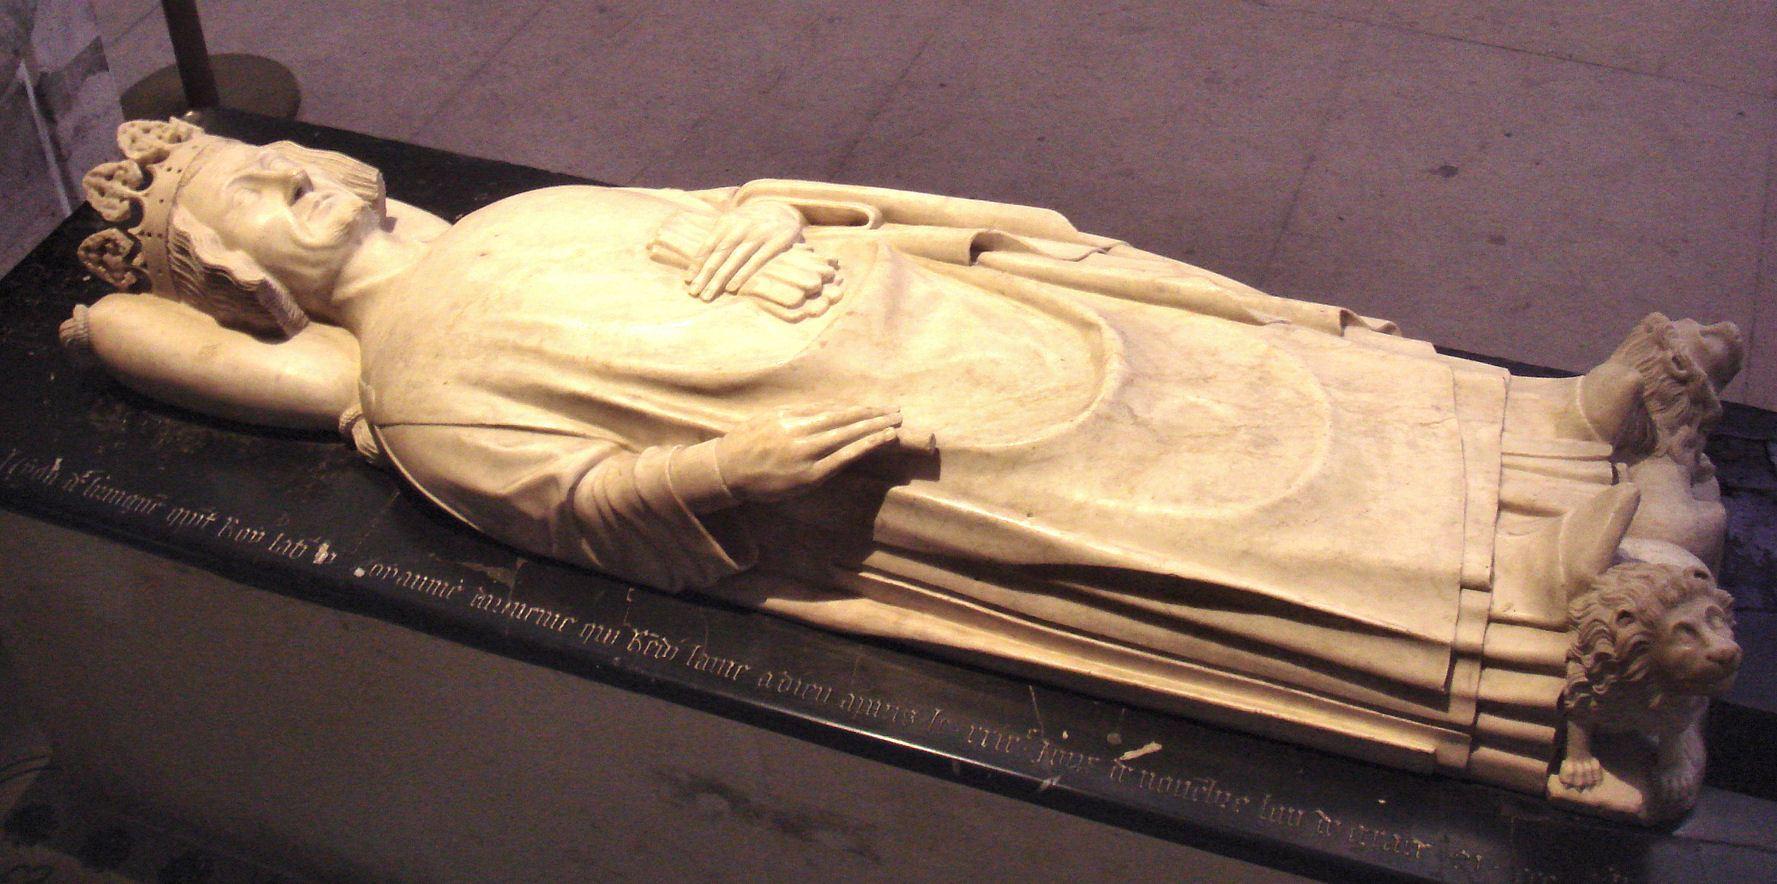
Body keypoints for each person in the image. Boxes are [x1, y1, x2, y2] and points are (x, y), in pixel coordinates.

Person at [65, 120, 1744, 817]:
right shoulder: (425, 394)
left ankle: (1543, 432)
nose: (313, 169)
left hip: (912, 307)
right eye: (270, 195)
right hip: (885, 447)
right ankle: (1561, 646)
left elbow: (705, 211)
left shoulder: (514, 217)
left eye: (286, 149)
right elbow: (579, 515)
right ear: (241, 290)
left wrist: (747, 216)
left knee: (1195, 362)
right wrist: (741, 460)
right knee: (1171, 508)